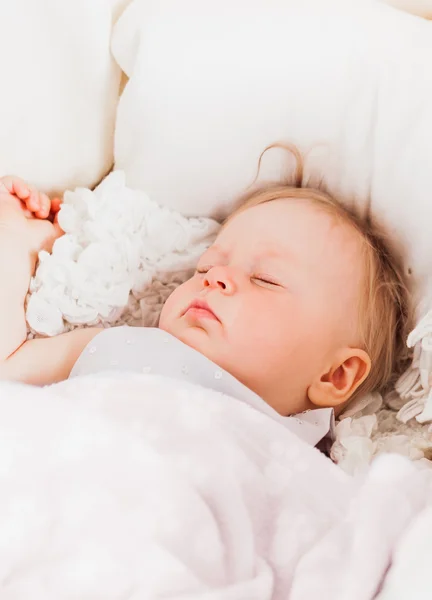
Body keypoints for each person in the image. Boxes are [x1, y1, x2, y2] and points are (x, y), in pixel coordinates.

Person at [0, 150, 410, 438]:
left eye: (265, 279)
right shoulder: (122, 344)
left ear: (334, 375)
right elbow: (8, 367)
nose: (216, 278)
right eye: (206, 267)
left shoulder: (303, 459)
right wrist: (18, 237)